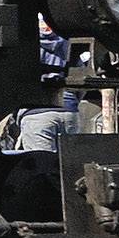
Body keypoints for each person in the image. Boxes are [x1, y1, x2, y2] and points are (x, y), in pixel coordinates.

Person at [14, 17, 83, 151]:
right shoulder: (68, 44)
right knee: (69, 163)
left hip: (36, 113)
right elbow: (81, 77)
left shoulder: (25, 47)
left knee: (42, 165)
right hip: (69, 111)